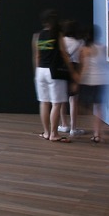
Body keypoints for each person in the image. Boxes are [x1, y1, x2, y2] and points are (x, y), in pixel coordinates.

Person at [33, 9, 77, 142]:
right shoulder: (58, 34)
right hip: (54, 72)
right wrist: (72, 71)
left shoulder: (38, 35)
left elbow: (37, 55)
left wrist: (37, 72)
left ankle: (46, 133)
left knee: (44, 102)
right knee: (56, 104)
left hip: (40, 71)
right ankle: (54, 134)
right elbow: (64, 54)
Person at [77, 23, 109, 143]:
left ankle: (95, 132)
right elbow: (107, 66)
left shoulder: (84, 49)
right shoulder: (103, 47)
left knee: (86, 106)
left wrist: (78, 81)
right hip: (103, 81)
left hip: (90, 81)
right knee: (99, 107)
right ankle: (98, 134)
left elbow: (84, 67)